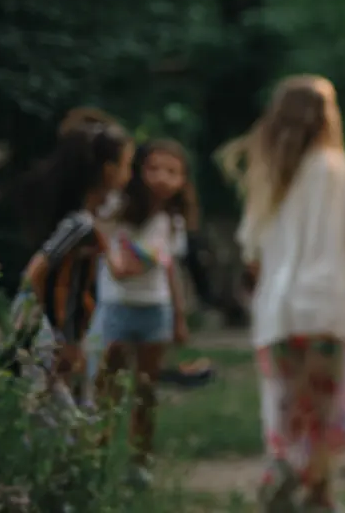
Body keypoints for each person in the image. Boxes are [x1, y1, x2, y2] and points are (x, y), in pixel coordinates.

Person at [220, 74, 345, 513]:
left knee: (286, 400)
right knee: (324, 403)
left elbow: (254, 253)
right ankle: (320, 494)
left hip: (277, 310)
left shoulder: (267, 173)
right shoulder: (340, 169)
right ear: (326, 116)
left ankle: (284, 467)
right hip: (325, 307)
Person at [5, 120, 135, 401]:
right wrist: (59, 339)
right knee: (58, 414)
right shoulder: (80, 225)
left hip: (64, 333)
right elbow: (37, 271)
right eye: (127, 165)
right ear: (109, 172)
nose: (129, 175)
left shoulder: (89, 223)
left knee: (66, 410)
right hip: (49, 335)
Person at [95, 138, 195, 481]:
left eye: (172, 171)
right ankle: (97, 455)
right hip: (118, 306)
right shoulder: (115, 208)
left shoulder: (172, 220)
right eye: (154, 168)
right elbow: (109, 254)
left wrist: (179, 317)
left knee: (146, 389)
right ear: (137, 170)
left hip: (156, 309)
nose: (162, 178)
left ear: (183, 179)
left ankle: (140, 461)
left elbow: (169, 270)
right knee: (108, 387)